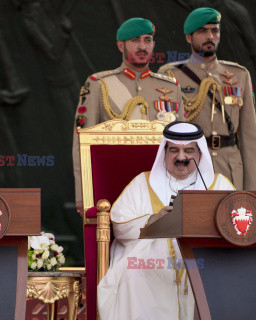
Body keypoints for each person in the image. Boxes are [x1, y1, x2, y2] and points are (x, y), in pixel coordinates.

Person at [97, 121, 234, 320]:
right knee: (132, 274)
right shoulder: (143, 183)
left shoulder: (217, 184)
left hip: (204, 258)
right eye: (174, 150)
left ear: (200, 154)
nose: (181, 157)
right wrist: (154, 219)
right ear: (164, 152)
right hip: (148, 262)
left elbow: (234, 226)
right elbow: (120, 226)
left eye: (189, 150)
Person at [72, 18, 184, 216]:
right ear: (120, 45)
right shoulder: (98, 84)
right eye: (135, 41)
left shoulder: (172, 87)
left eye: (147, 40)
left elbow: (184, 141)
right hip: (113, 183)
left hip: (161, 183)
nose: (142, 46)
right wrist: (83, 192)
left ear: (153, 45)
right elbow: (81, 142)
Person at [159, 7, 256, 190]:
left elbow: (250, 137)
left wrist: (251, 189)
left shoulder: (239, 75)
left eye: (215, 30)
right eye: (203, 31)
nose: (210, 36)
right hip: (189, 166)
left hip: (230, 168)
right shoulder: (171, 75)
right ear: (189, 37)